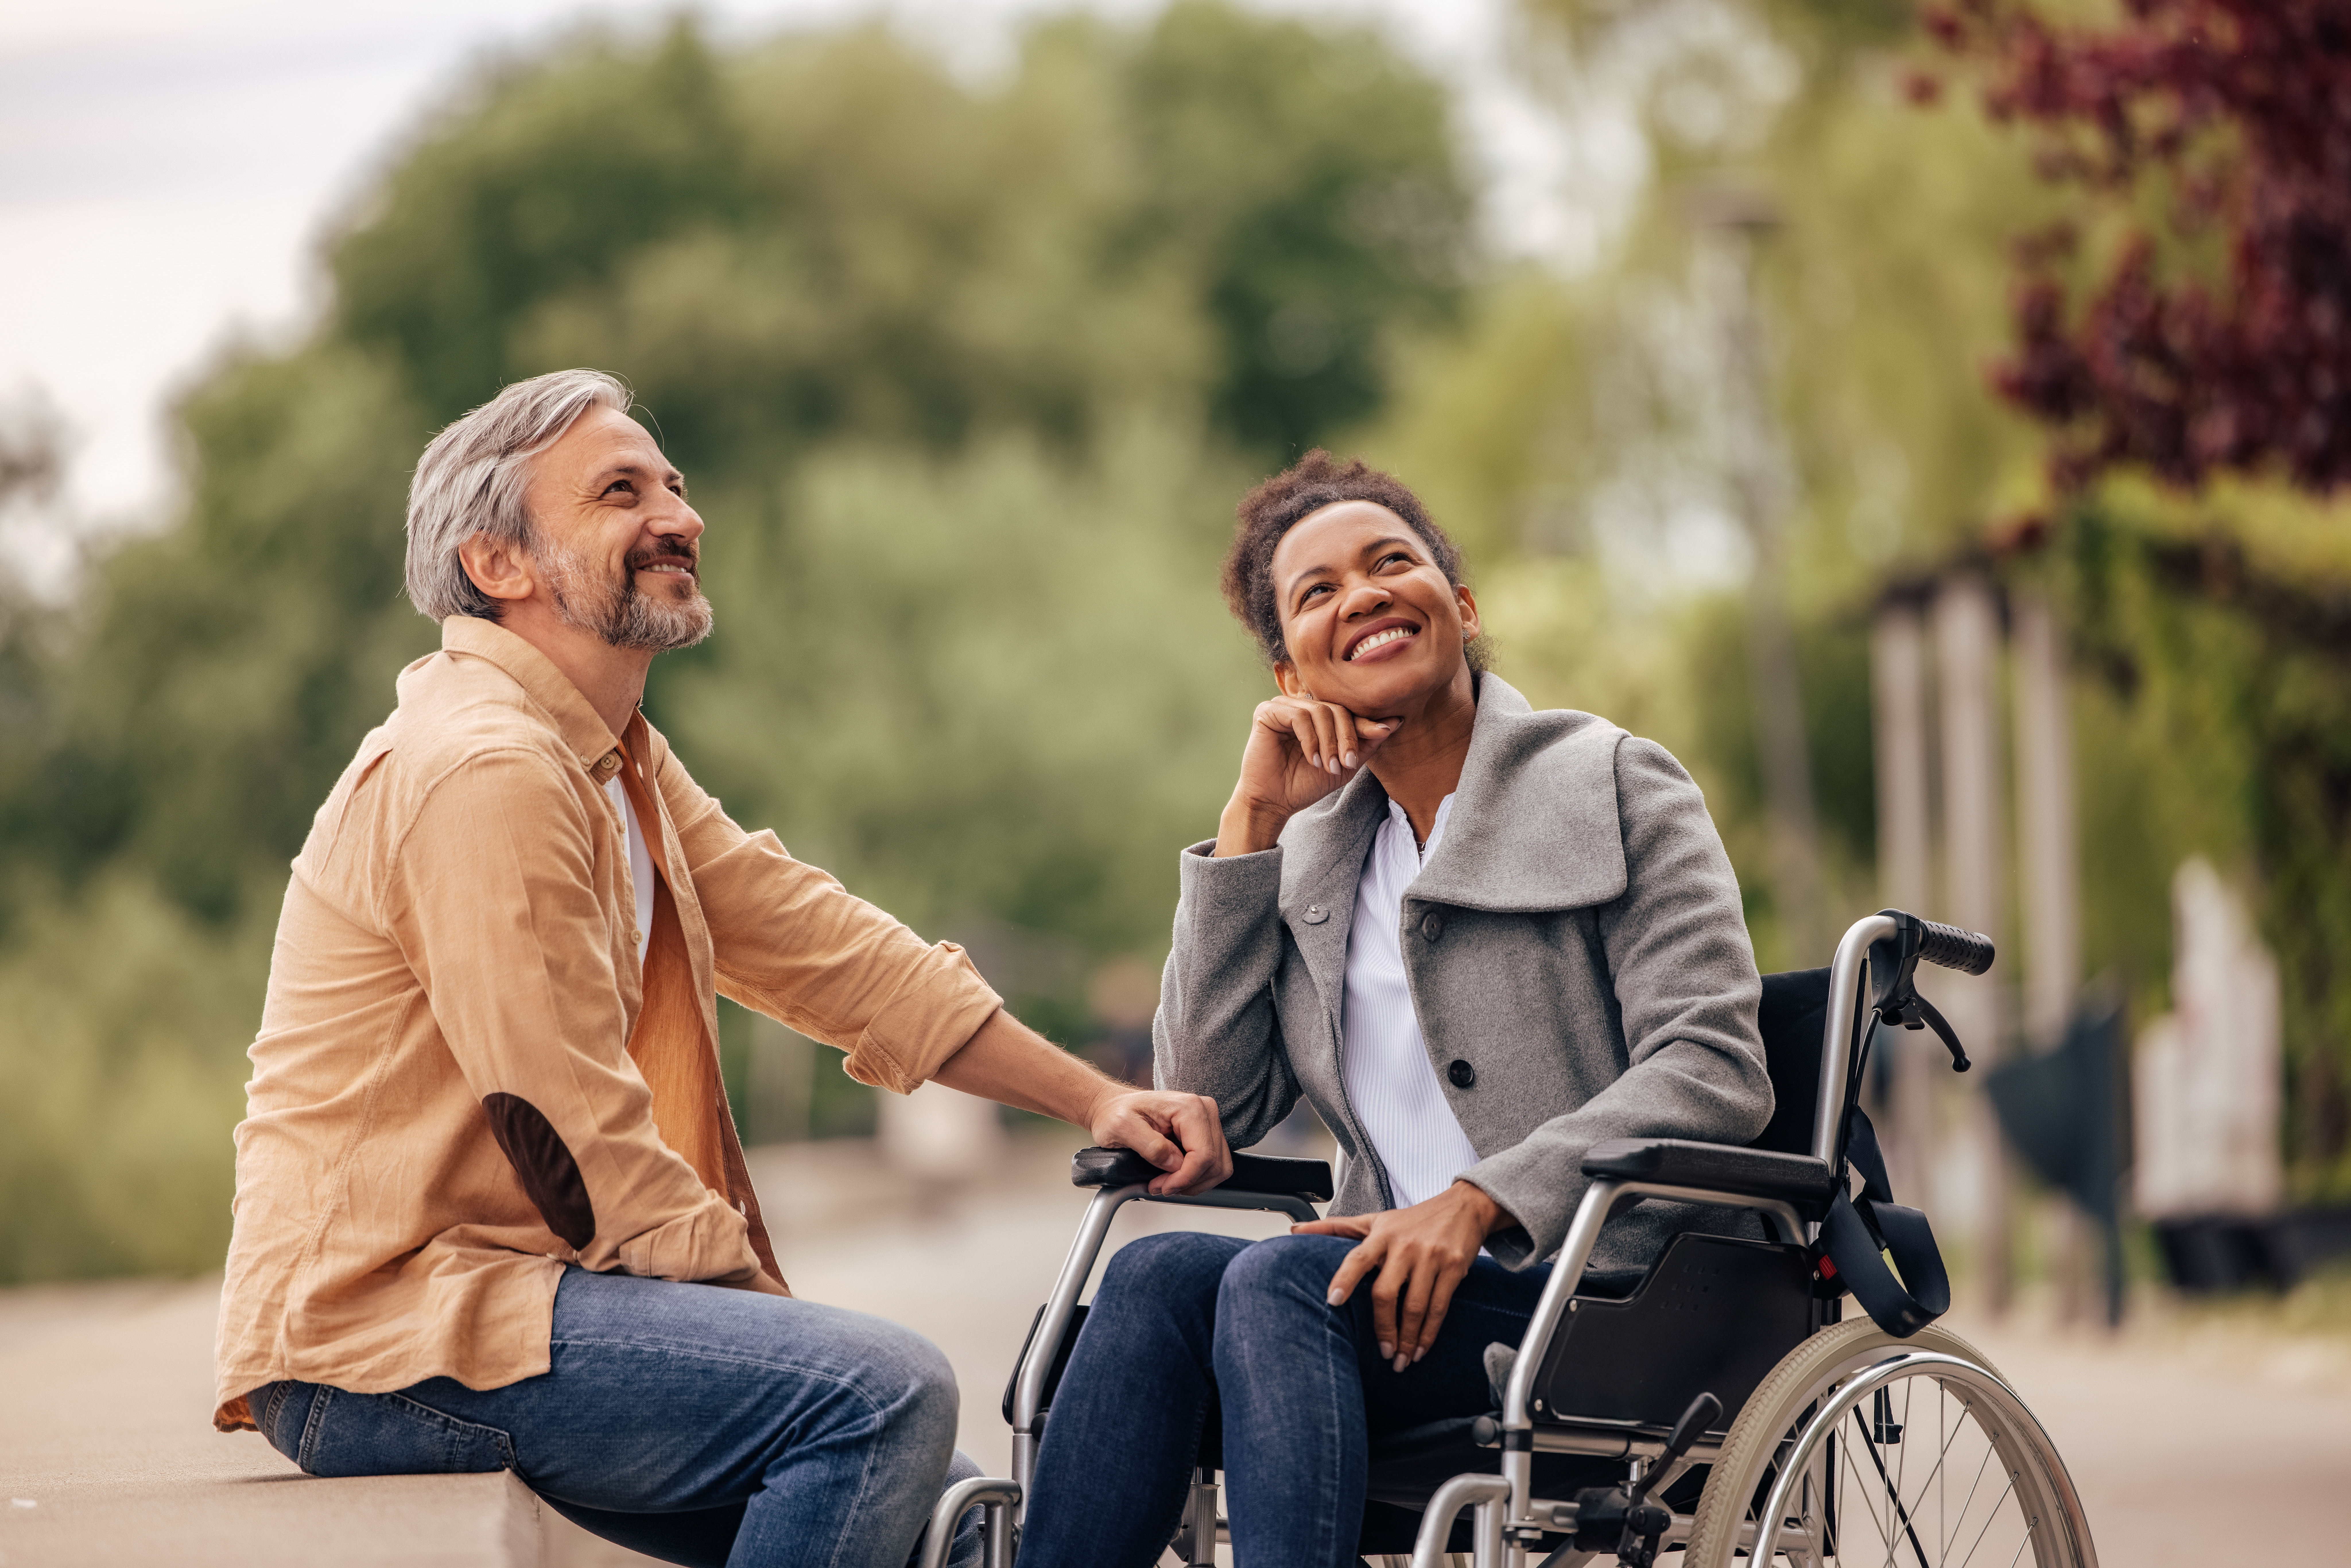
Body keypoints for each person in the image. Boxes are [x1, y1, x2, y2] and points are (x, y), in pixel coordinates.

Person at [212, 368, 1231, 1568]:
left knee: (962, 1526)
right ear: (499, 564)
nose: (680, 516)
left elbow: (832, 951)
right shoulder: (485, 769)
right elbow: (562, 1127)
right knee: (877, 1393)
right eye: (619, 491)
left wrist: (1095, 1096)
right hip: (388, 1335)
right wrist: (758, 1313)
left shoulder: (607, 761)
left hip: (503, 1316)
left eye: (676, 486)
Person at [1015, 451, 1772, 1568]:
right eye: (1315, 592)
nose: (1361, 595)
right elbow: (1207, 1101)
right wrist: (1250, 826)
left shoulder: (1612, 780)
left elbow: (1712, 1063)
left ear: (1457, 607)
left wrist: (1480, 1200)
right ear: (1288, 677)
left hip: (1604, 1300)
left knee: (1279, 1276)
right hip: (1383, 1313)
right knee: (1150, 1275)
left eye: (1389, 563)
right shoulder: (1315, 851)